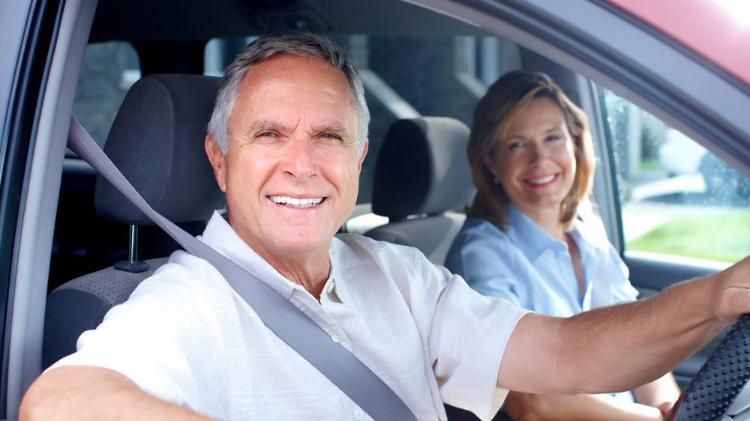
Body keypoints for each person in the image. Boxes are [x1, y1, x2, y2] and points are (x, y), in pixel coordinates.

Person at [19, 32, 750, 421]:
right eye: (270, 134)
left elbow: (560, 352)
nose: (301, 165)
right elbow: (58, 402)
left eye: (329, 137)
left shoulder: (394, 271)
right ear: (219, 158)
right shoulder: (187, 303)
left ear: (359, 157)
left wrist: (719, 296)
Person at [445, 71, 680, 420]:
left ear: (575, 142)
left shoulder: (589, 232)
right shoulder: (481, 256)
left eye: (553, 138)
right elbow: (534, 403)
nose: (540, 159)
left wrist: (676, 410)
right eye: (516, 144)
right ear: (491, 161)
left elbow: (642, 347)